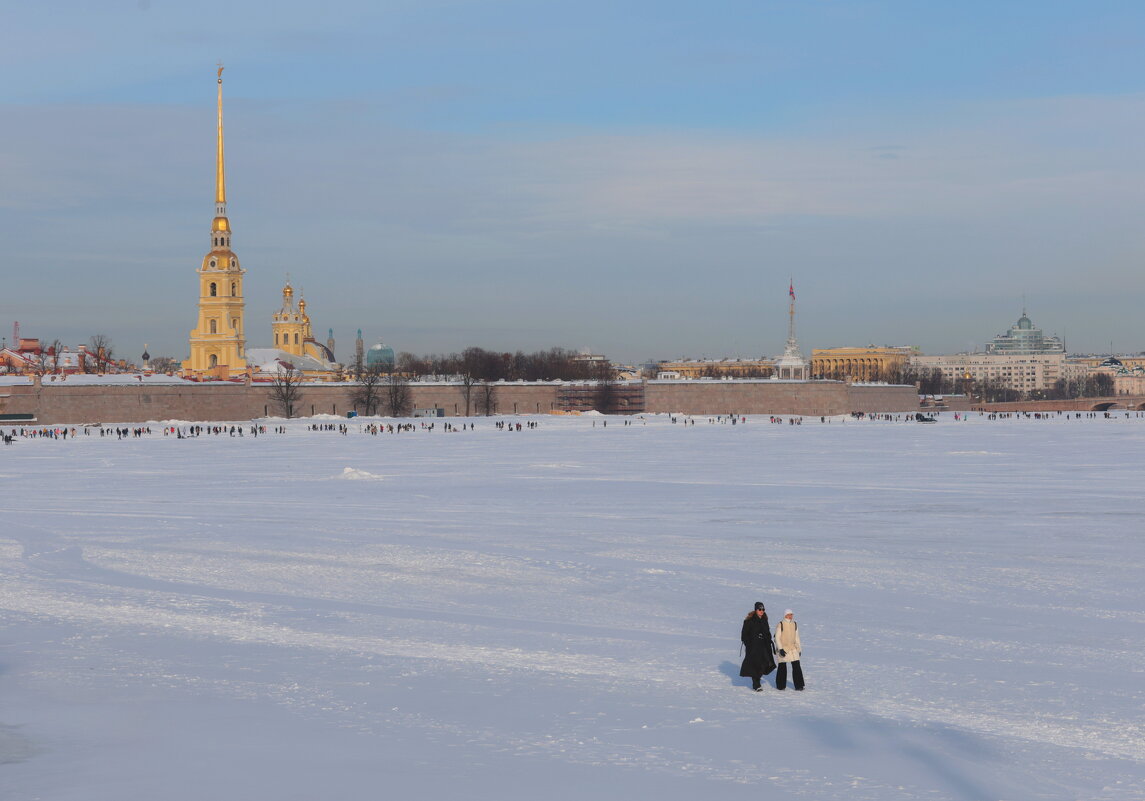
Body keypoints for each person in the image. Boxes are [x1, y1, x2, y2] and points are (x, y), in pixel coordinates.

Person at [739, 602, 776, 691]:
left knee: (765, 663)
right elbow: (744, 635)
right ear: (756, 610)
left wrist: (768, 639)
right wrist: (749, 644)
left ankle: (757, 678)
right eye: (760, 609)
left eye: (763, 609)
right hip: (754, 648)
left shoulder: (764, 620)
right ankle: (756, 684)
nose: (762, 611)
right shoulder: (749, 621)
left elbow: (767, 632)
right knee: (755, 665)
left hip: (764, 646)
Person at [773, 609, 804, 690]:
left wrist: (799, 649)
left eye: (791, 614)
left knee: (796, 665)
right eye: (789, 614)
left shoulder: (794, 624)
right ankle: (780, 686)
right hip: (783, 648)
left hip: (793, 648)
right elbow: (777, 638)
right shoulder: (781, 624)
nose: (791, 616)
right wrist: (780, 649)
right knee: (782, 667)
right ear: (785, 615)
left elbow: (797, 637)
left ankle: (799, 685)